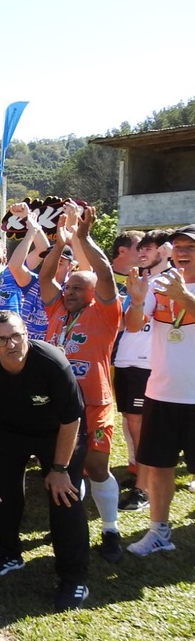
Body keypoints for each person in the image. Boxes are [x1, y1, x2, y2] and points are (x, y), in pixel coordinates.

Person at [0, 312, 90, 611]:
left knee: (65, 498)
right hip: (10, 431)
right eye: (1, 339)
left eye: (16, 335)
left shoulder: (52, 362)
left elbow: (71, 421)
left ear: (26, 333)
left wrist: (60, 469)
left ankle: (74, 578)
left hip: (57, 433)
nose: (11, 344)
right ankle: (9, 552)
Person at [39, 206, 123, 562]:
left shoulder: (105, 313)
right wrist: (59, 245)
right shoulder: (57, 310)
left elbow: (104, 274)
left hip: (94, 404)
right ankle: (73, 521)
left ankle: (110, 529)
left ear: (92, 294)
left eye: (76, 288)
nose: (67, 292)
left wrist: (85, 238)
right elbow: (44, 279)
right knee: (65, 468)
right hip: (59, 406)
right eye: (68, 286)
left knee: (95, 466)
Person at [124, 225, 195, 556]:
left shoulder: (178, 289)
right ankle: (159, 531)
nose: (183, 251)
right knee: (160, 465)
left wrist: (184, 298)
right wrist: (138, 302)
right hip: (162, 392)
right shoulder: (157, 284)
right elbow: (134, 324)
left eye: (191, 247)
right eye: (179, 246)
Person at [115, 230, 172, 510]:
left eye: (149, 248)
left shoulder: (172, 281)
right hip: (126, 359)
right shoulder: (140, 280)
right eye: (142, 248)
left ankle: (144, 489)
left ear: (165, 250)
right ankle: (141, 475)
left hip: (148, 363)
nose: (142, 253)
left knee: (142, 425)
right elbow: (129, 323)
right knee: (130, 420)